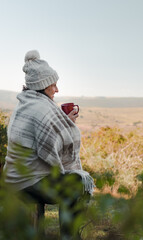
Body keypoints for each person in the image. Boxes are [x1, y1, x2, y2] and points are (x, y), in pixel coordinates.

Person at [3, 50, 95, 240]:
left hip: (14, 178)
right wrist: (68, 126)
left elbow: (47, 137)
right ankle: (69, 237)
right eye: (54, 84)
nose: (57, 89)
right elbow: (54, 147)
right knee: (77, 184)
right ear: (43, 85)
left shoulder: (24, 104)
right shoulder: (41, 108)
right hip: (29, 182)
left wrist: (63, 123)